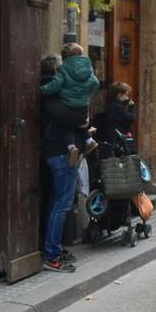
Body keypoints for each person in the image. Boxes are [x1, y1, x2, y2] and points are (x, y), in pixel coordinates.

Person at [40, 54, 85, 271]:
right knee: (61, 205)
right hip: (59, 153)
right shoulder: (52, 91)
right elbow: (67, 118)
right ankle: (52, 255)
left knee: (57, 203)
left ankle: (53, 249)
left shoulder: (55, 90)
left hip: (58, 151)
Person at [41, 42, 101, 166]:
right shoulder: (88, 69)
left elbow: (55, 86)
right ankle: (89, 140)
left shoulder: (64, 70)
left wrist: (42, 90)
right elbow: (96, 84)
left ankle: (71, 146)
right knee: (77, 119)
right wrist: (87, 94)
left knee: (67, 122)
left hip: (68, 107)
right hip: (83, 106)